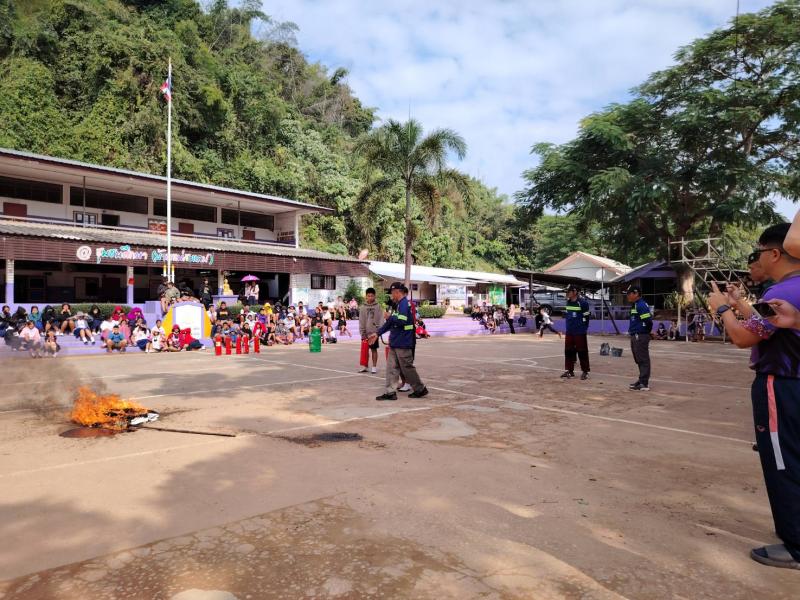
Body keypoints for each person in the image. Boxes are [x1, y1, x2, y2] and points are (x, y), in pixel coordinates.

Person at [706, 222, 800, 569]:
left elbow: (744, 337)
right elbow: (766, 325)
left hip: (782, 383)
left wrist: (721, 309)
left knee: (783, 460)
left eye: (759, 252)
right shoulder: (791, 289)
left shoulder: (785, 290)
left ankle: (796, 545)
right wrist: (741, 305)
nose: (756, 260)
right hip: (793, 382)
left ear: (775, 253)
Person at [370, 282, 428, 401]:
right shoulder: (397, 305)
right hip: (396, 341)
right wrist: (378, 333)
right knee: (391, 368)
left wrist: (390, 317)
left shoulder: (404, 304)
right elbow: (390, 323)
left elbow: (402, 321)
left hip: (403, 342)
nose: (391, 295)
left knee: (407, 368)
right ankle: (390, 392)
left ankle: (420, 389)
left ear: (397, 292)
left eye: (392, 293)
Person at [625, 286, 653, 391]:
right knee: (638, 359)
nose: (628, 296)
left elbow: (648, 321)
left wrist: (646, 332)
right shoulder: (635, 305)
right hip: (635, 335)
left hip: (640, 335)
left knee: (643, 359)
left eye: (629, 293)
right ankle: (641, 380)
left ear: (636, 294)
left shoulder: (641, 305)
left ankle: (644, 383)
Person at [561, 284, 591, 380]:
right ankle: (569, 371)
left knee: (582, 351)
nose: (567, 293)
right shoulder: (568, 302)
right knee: (568, 351)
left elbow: (587, 317)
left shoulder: (583, 303)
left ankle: (585, 372)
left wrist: (583, 328)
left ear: (575, 292)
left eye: (569, 291)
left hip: (579, 331)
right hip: (569, 331)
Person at [359, 287, 385, 374]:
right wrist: (362, 332)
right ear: (366, 296)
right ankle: (365, 366)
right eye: (368, 296)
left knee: (374, 350)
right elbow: (361, 320)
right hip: (365, 332)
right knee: (365, 350)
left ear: (375, 296)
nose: (370, 297)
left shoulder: (378, 307)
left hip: (374, 333)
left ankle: (374, 367)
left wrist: (379, 331)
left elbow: (381, 319)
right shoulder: (363, 307)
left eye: (372, 296)